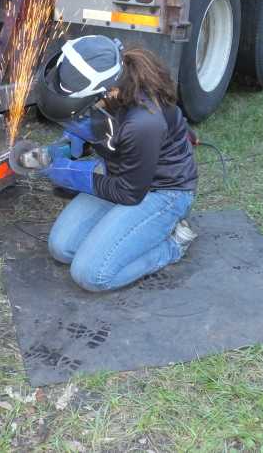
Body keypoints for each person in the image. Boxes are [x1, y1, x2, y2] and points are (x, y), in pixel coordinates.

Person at [35, 35, 199, 292]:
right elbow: (98, 125)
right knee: (62, 248)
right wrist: (72, 140)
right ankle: (127, 233)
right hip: (120, 172)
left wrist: (70, 173)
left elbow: (128, 192)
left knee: (90, 274)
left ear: (107, 92)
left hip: (161, 190)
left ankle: (173, 245)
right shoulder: (109, 93)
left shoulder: (144, 122)